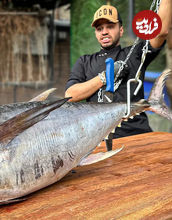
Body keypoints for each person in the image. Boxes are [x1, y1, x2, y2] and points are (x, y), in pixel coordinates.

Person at [65, 1, 172, 138]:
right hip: (98, 139)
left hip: (136, 135)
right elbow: (70, 95)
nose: (104, 32)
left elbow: (161, 32)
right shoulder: (85, 61)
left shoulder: (135, 54)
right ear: (96, 34)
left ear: (121, 30)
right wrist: (104, 77)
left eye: (110, 26)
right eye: (99, 28)